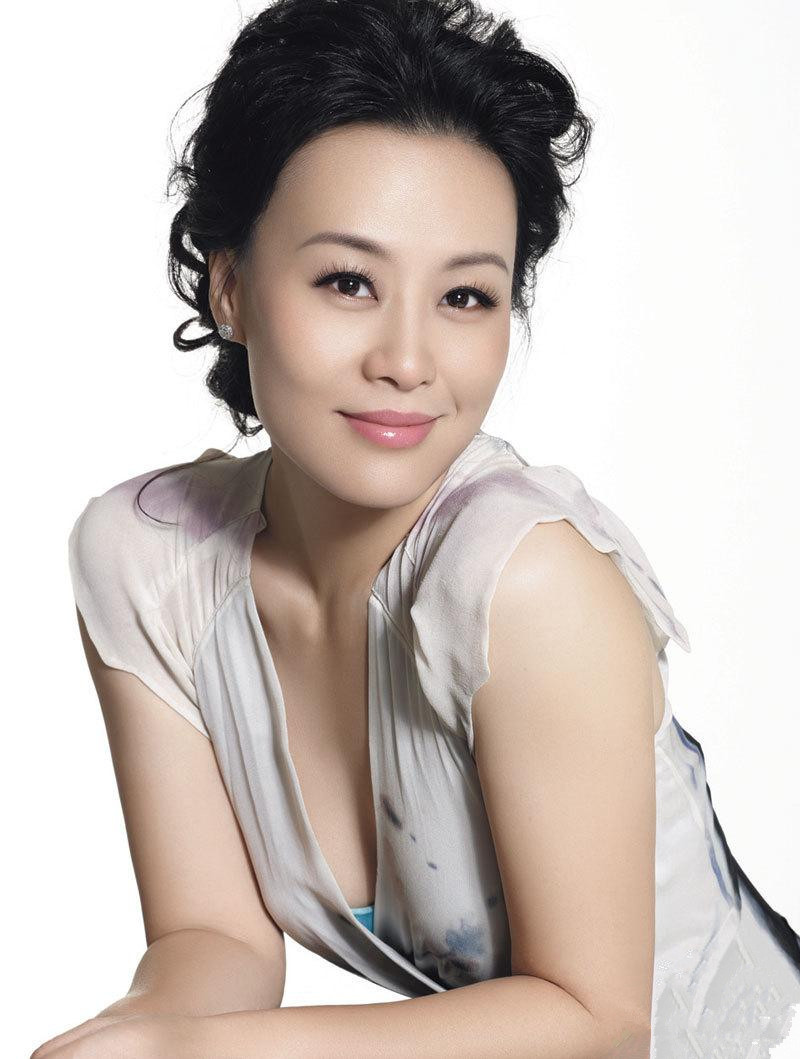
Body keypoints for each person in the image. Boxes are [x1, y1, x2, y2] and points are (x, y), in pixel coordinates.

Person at [34, 0, 800, 1056]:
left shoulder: (524, 586)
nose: (406, 360)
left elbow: (602, 1022)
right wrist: (126, 1033)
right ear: (231, 288)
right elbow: (214, 936)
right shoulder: (147, 563)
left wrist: (198, 1052)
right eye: (348, 281)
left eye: (466, 297)